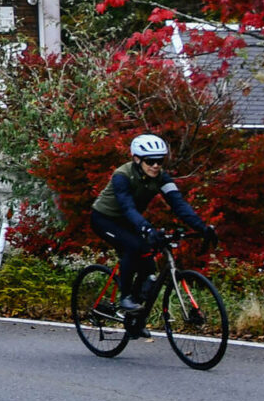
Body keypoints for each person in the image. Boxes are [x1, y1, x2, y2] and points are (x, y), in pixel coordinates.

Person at [90, 134, 218, 313]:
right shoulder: (122, 176)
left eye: (160, 161)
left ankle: (136, 314)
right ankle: (125, 297)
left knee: (149, 263)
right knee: (133, 247)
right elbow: (127, 207)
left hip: (129, 221)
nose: (156, 165)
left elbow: (178, 204)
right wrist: (147, 228)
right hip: (104, 219)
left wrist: (201, 227)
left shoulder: (161, 178)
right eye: (150, 161)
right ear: (137, 159)